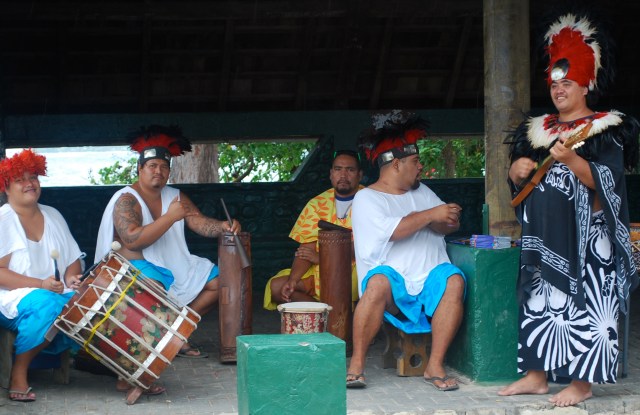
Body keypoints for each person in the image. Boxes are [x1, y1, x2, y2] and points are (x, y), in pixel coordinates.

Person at [499, 13, 639, 407]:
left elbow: (609, 182)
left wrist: (574, 161)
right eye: (555, 84)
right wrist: (516, 169)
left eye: (568, 83)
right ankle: (536, 376)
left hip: (588, 242)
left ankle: (582, 382)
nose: (559, 90)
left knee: (587, 305)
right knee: (539, 302)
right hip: (543, 238)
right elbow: (523, 182)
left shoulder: (603, 128)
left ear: (585, 85)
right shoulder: (538, 130)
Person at [94, 125, 241, 366]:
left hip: (172, 264)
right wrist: (170, 217)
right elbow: (132, 239)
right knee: (153, 290)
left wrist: (223, 226)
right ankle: (163, 343)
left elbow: (200, 222)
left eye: (164, 167)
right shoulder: (126, 199)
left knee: (219, 283)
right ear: (139, 168)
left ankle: (178, 333)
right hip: (132, 267)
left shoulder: (175, 196)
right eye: (152, 166)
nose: (158, 171)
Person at [346, 110, 466, 390]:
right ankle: (357, 364)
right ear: (397, 165)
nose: (421, 167)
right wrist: (432, 214)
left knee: (455, 279)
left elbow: (445, 225)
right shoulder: (367, 198)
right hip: (393, 287)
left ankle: (435, 365)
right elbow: (397, 231)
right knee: (376, 283)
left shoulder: (422, 192)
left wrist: (448, 217)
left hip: (429, 281)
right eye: (416, 161)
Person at [0, 149, 83, 402]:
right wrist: (41, 284)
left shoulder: (53, 215)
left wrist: (72, 280)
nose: (29, 184)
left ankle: (122, 370)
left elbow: (72, 262)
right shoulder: (3, 220)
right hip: (8, 299)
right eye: (20, 179)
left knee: (90, 300)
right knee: (48, 305)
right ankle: (19, 372)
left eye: (33, 177)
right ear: (6, 188)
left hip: (52, 294)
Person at [263, 150, 363, 310]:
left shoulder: (371, 200)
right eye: (338, 169)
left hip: (354, 269)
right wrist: (293, 280)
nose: (343, 175)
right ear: (331, 174)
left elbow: (368, 247)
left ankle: (334, 317)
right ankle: (328, 315)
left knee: (347, 284)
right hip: (318, 270)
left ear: (360, 175)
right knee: (277, 287)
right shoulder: (316, 203)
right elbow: (306, 249)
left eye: (350, 170)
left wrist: (324, 258)